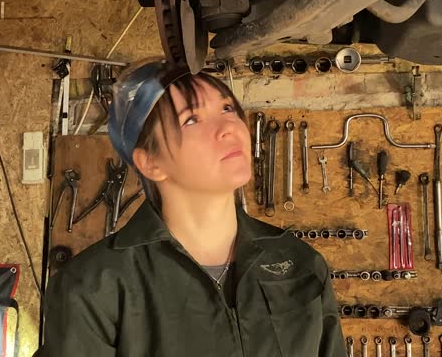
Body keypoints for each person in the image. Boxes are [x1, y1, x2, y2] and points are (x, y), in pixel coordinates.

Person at [39, 58, 346, 356]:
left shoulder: (299, 263)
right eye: (192, 119)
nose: (229, 127)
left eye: (227, 108)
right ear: (150, 161)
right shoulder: (95, 285)